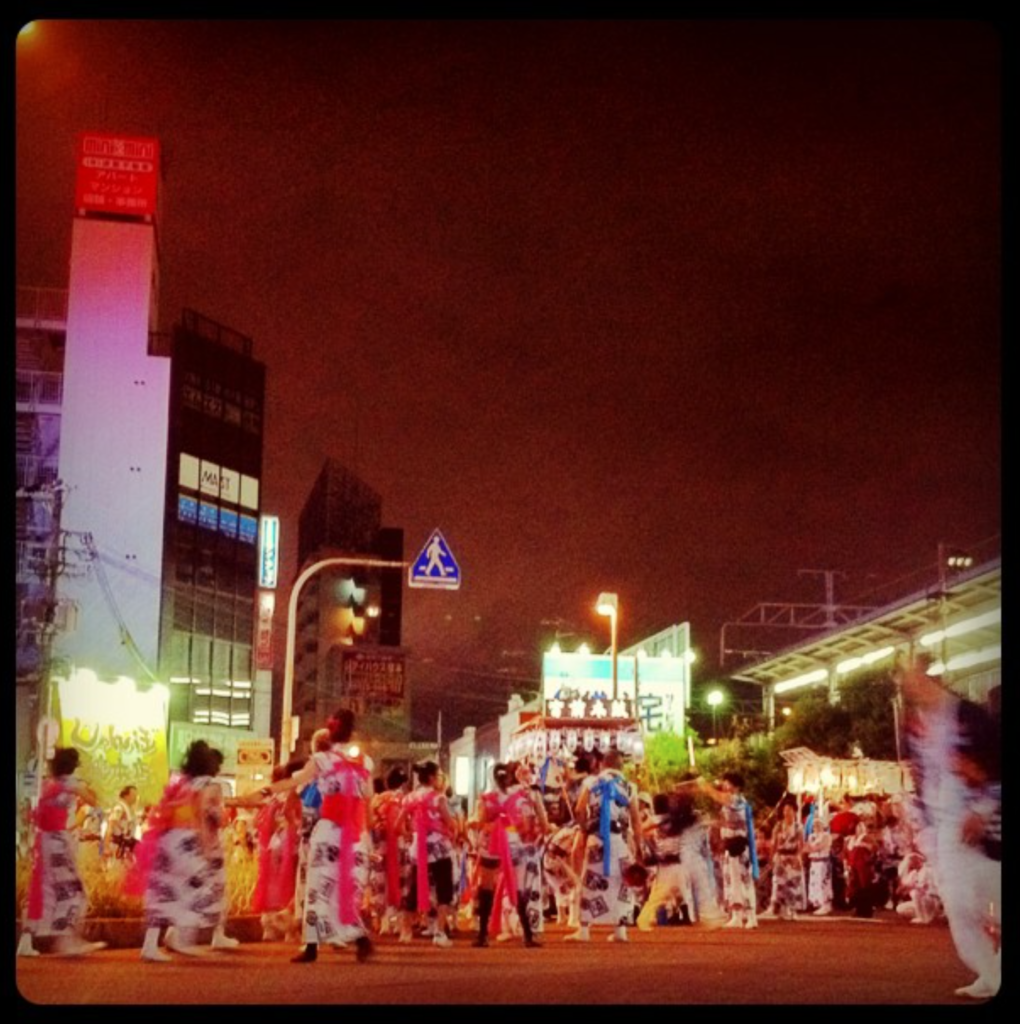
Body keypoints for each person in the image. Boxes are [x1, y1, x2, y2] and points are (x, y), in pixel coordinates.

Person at [903, 660, 1001, 999]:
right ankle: (991, 976)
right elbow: (920, 779)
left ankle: (992, 975)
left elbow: (996, 766)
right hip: (946, 827)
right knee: (960, 906)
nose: (910, 687)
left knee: (979, 899)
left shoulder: (969, 716)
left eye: (914, 679)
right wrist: (926, 830)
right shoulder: (916, 725)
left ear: (931, 679)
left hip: (976, 822)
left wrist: (981, 809)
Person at [258, 709, 375, 963]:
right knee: (346, 888)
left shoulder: (322, 759)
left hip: (330, 830)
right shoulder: (364, 761)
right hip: (355, 833)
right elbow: (368, 799)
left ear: (330, 731)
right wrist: (369, 834)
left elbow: (294, 781)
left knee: (318, 886)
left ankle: (314, 945)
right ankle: (358, 937)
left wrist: (265, 791)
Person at [126, 740, 228, 961]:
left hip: (165, 839)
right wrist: (206, 845)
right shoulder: (210, 785)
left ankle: (150, 945)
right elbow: (202, 813)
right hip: (186, 841)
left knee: (163, 892)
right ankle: (181, 938)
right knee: (197, 890)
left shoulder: (179, 782)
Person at [18, 747, 107, 957]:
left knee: (42, 892)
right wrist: (87, 783)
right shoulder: (69, 783)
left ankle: (26, 941)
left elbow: (30, 813)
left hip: (43, 841)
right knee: (73, 891)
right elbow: (95, 800)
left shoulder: (48, 784)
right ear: (73, 765)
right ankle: (66, 940)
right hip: (58, 841)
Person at [567, 748, 644, 943]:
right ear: (621, 766)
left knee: (591, 881)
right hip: (619, 838)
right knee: (621, 883)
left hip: (597, 839)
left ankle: (584, 930)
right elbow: (636, 820)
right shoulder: (629, 787)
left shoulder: (592, 782)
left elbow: (579, 809)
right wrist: (640, 846)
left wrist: (584, 829)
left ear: (603, 765)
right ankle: (620, 931)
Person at [396, 760, 458, 947]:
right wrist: (454, 831)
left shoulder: (410, 798)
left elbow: (398, 823)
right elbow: (450, 822)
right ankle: (439, 932)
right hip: (439, 849)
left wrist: (409, 834)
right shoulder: (438, 798)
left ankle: (405, 931)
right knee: (443, 890)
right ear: (431, 777)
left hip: (418, 848)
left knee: (413, 888)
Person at [699, 772, 759, 929]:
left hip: (738, 846)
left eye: (728, 783)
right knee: (732, 881)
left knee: (743, 880)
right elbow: (726, 822)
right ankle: (737, 915)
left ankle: (750, 915)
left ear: (736, 787)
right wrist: (711, 823)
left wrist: (704, 785)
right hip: (729, 844)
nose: (725, 785)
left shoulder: (736, 799)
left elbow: (716, 796)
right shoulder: (730, 802)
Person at [252, 762, 302, 941]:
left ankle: (269, 924)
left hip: (272, 845)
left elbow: (259, 823)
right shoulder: (295, 794)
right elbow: (298, 818)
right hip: (291, 843)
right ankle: (289, 926)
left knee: (271, 882)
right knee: (292, 881)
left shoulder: (272, 798)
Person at [636, 792, 694, 931]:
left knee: (659, 891)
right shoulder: (676, 819)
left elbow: (639, 830)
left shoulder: (656, 819)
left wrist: (649, 842)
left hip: (665, 859)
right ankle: (684, 915)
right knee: (679, 888)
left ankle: (646, 918)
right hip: (678, 857)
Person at [368, 765, 410, 935]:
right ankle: (398, 922)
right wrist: (409, 833)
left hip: (380, 844)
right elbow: (405, 824)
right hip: (398, 844)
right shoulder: (403, 799)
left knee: (379, 883)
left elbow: (370, 821)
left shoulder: (377, 800)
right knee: (400, 881)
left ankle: (383, 921)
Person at [770, 799, 806, 920]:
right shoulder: (778, 826)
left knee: (794, 884)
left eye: (790, 810)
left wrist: (799, 857)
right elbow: (773, 843)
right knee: (780, 884)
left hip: (793, 857)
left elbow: (802, 844)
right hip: (780, 857)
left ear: (794, 811)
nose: (787, 812)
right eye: (785, 810)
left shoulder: (798, 827)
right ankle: (781, 909)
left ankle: (793, 909)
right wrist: (772, 859)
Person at [805, 816, 834, 915]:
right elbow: (807, 848)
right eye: (814, 825)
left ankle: (825, 904)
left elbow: (820, 847)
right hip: (814, 862)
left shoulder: (826, 835)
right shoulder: (811, 836)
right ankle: (817, 903)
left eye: (818, 824)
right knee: (815, 883)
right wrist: (812, 848)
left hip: (823, 862)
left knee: (823, 883)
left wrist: (812, 847)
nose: (815, 826)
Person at [106, 785, 140, 861]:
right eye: (133, 795)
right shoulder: (119, 808)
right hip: (117, 847)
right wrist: (106, 847)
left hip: (126, 847)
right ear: (126, 796)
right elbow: (110, 827)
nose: (135, 797)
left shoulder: (129, 809)